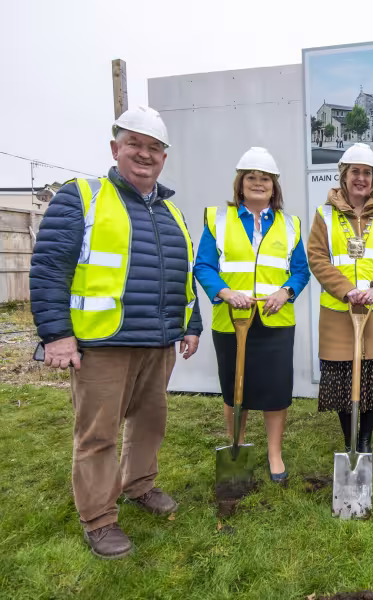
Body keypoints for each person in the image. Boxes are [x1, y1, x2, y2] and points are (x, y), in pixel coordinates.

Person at [29, 106, 202, 559]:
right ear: (115, 149)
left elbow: (183, 277)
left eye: (154, 148)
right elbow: (49, 268)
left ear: (164, 157)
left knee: (150, 422)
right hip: (103, 344)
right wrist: (56, 335)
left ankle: (139, 485)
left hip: (158, 341)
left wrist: (191, 324)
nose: (144, 155)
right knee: (98, 435)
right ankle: (99, 519)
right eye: (135, 145)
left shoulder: (172, 213)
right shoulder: (82, 198)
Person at [194, 147, 310, 482]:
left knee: (275, 391)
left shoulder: (290, 225)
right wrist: (225, 293)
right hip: (231, 321)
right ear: (240, 185)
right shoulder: (218, 219)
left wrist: (284, 293)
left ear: (274, 187)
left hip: (275, 321)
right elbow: (203, 265)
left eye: (265, 179)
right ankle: (238, 444)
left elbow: (301, 271)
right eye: (251, 178)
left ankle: (274, 453)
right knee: (235, 390)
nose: (258, 184)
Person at [307, 143, 373, 455]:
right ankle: (349, 441)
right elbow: (317, 257)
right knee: (341, 380)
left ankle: (364, 441)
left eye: (366, 172)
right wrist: (346, 289)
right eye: (355, 172)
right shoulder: (324, 214)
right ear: (343, 175)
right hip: (340, 311)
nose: (361, 178)